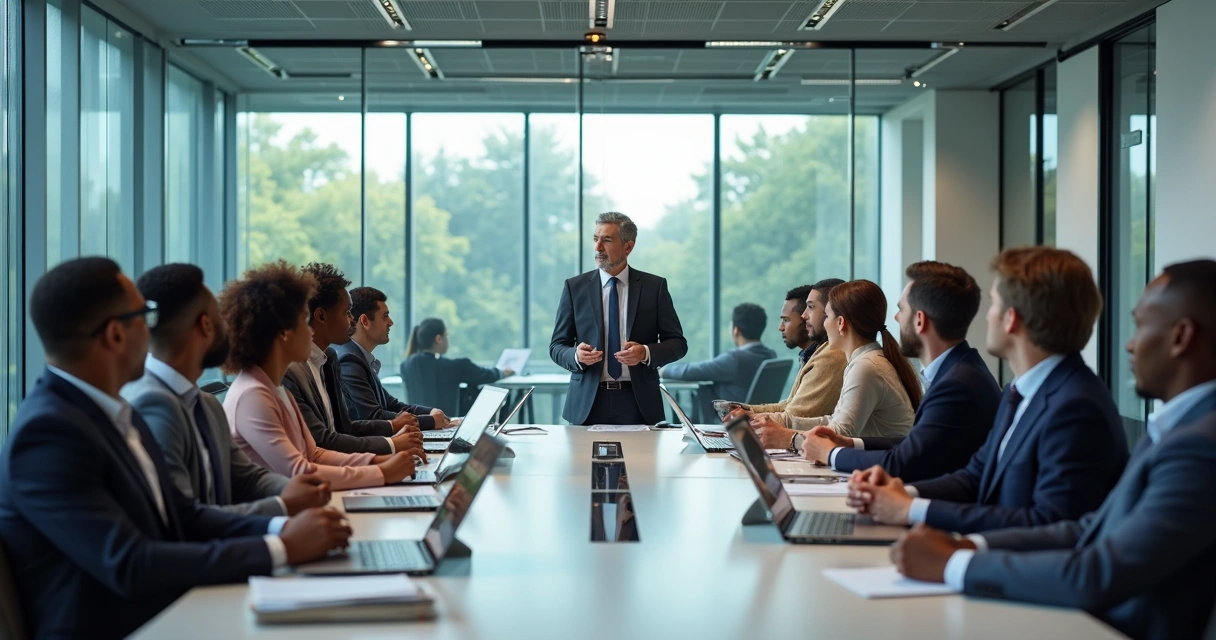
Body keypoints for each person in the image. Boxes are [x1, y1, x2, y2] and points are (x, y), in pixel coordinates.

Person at [0, 258, 351, 639]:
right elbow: (130, 563)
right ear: (115, 335)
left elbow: (183, 515)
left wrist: (281, 524)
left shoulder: (111, 412)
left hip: (170, 612)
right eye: (144, 316)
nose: (154, 332)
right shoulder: (49, 433)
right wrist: (279, 548)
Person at [890, 260, 1216, 640]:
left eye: (1141, 325)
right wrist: (966, 544)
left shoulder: (1197, 445)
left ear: (1181, 337)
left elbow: (1098, 573)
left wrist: (954, 563)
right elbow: (1089, 528)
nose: (1129, 343)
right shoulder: (1178, 426)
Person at [848, 247, 1129, 534]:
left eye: (993, 305)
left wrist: (911, 509)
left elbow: (1049, 523)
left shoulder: (1077, 407)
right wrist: (903, 493)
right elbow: (976, 477)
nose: (986, 317)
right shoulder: (1018, 392)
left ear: (1011, 318)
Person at [123, 263, 332, 517]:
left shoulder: (206, 403)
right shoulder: (152, 403)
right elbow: (186, 518)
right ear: (205, 325)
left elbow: (246, 478)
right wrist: (284, 511)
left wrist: (294, 489)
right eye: (220, 317)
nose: (230, 327)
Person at [221, 261, 419, 491]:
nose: (310, 330)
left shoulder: (272, 387)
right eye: (304, 321)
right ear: (283, 332)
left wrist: (378, 461)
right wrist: (381, 471)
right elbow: (297, 471)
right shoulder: (252, 395)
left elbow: (314, 452)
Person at [800, 262, 1001, 482]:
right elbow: (914, 443)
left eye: (901, 310)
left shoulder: (957, 385)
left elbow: (904, 462)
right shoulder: (960, 371)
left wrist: (830, 453)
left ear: (919, 320)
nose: (895, 318)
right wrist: (851, 444)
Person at [549, 211, 688, 425]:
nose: (597, 248)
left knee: (641, 461)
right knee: (581, 461)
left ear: (628, 247)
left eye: (606, 240)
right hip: (587, 403)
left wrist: (645, 352)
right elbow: (557, 346)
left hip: (639, 403)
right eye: (595, 239)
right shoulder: (574, 288)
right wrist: (576, 356)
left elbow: (678, 344)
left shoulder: (654, 287)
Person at [750, 279, 919, 446]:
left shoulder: (866, 367)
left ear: (840, 323)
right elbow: (834, 421)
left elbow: (842, 433)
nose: (824, 323)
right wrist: (776, 424)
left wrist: (787, 438)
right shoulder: (864, 360)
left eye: (827, 316)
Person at [282, 265, 423, 456]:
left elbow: (344, 428)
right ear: (321, 316)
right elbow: (322, 440)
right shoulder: (291, 372)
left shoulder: (329, 359)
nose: (352, 321)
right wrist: (391, 445)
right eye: (347, 312)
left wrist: (392, 432)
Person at [729, 280, 847, 440]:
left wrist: (748, 416)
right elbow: (789, 406)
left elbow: (794, 416)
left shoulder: (831, 355)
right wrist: (744, 409)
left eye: (810, 308)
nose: (805, 316)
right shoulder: (815, 354)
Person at [335, 287, 449, 430]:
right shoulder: (349, 360)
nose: (391, 322)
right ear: (365, 321)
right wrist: (430, 421)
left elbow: (391, 405)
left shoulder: (360, 357)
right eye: (385, 316)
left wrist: (432, 412)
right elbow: (373, 416)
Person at [661, 302, 777, 417]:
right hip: (757, 418)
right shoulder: (770, 355)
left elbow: (690, 371)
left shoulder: (736, 359)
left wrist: (663, 370)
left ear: (736, 330)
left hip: (732, 421)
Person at [400, 315, 512, 416]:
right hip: (443, 428)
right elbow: (485, 375)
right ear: (439, 339)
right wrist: (501, 372)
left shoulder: (406, 365)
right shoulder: (454, 367)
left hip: (417, 427)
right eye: (446, 335)